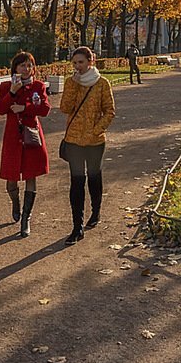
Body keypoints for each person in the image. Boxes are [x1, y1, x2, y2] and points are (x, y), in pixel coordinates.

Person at [59, 46, 116, 245]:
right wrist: (74, 86)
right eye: (74, 63)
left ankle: (96, 210)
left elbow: (110, 111)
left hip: (95, 140)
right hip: (74, 139)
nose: (77, 67)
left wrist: (96, 130)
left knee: (93, 177)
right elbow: (65, 108)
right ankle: (77, 226)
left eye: (81, 62)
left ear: (90, 62)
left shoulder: (102, 83)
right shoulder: (70, 82)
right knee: (76, 181)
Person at [0, 51, 50, 238]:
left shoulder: (38, 86)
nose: (26, 69)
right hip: (12, 136)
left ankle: (26, 217)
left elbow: (45, 109)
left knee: (31, 174)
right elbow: (1, 109)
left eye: (29, 65)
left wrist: (25, 108)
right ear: (15, 68)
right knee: (11, 175)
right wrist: (12, 92)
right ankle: (15, 202)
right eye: (22, 65)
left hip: (31, 135)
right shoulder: (6, 86)